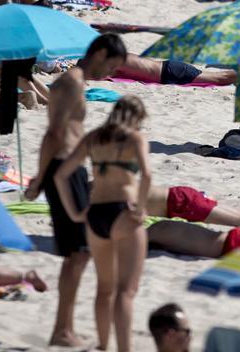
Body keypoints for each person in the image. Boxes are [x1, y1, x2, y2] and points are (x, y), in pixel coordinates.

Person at [26, 33, 128, 348]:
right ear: (98, 53)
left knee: (79, 254)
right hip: (61, 170)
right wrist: (39, 178)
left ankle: (64, 327)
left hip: (70, 169)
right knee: (78, 253)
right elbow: (54, 134)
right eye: (111, 65)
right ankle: (61, 330)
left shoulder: (76, 81)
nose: (110, 74)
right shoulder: (70, 82)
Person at [55, 95, 150, 352]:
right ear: (136, 119)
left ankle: (103, 345)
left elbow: (61, 175)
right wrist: (140, 209)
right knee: (126, 291)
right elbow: (148, 176)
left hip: (95, 213)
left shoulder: (93, 138)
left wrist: (75, 213)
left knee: (104, 288)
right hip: (123, 211)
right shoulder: (135, 139)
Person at [112, 53, 240, 88]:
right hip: (170, 67)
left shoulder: (114, 62)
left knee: (221, 78)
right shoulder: (119, 55)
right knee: (220, 77)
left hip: (171, 73)